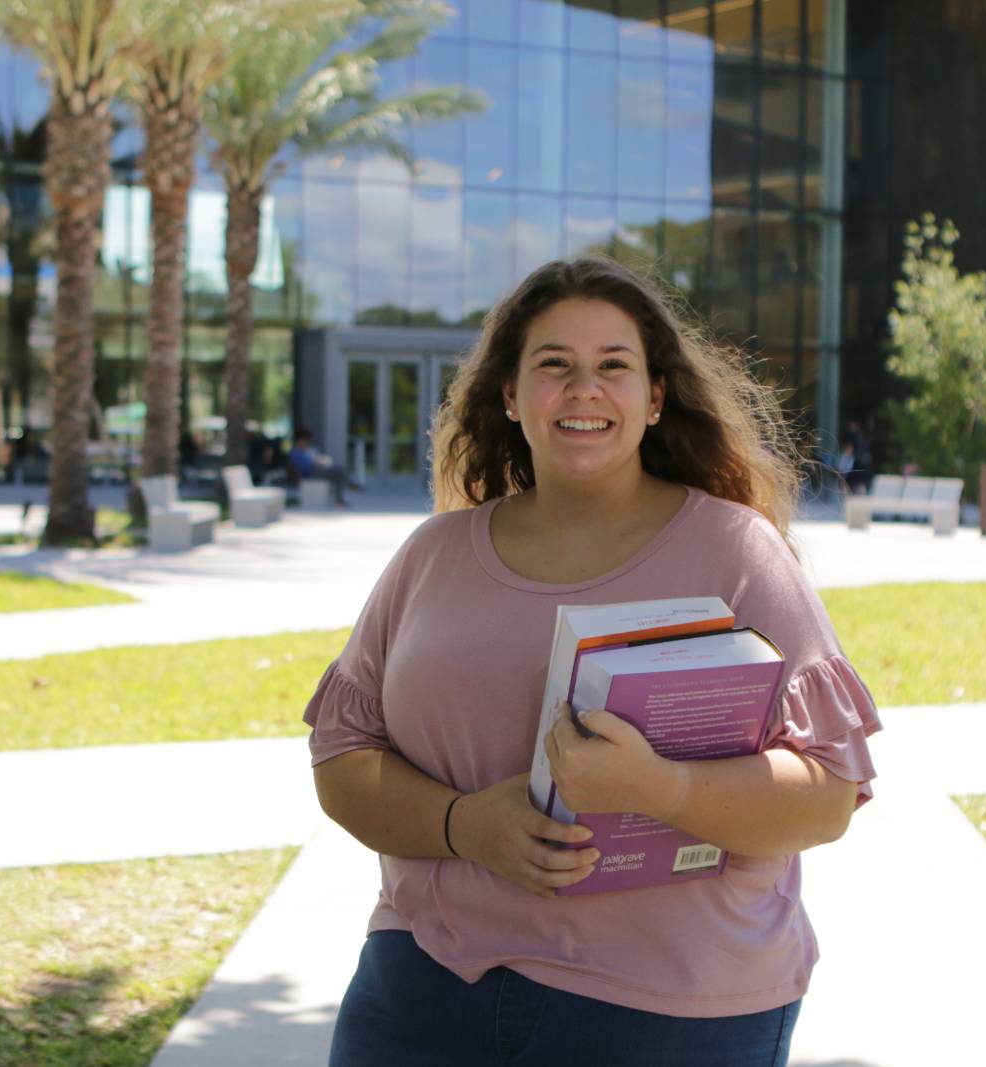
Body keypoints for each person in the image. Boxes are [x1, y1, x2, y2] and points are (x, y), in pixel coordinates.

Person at [304, 257, 881, 1066]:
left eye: (614, 365)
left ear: (654, 398)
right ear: (510, 395)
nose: (584, 390)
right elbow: (340, 760)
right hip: (421, 991)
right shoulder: (431, 555)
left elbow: (827, 796)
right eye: (553, 366)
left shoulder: (737, 554)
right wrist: (463, 826)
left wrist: (662, 787)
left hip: (670, 1014)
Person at [286, 428, 353, 507]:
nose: (307, 443)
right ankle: (347, 488)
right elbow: (306, 467)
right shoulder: (296, 453)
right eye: (306, 441)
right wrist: (316, 462)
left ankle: (344, 491)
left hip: (314, 472)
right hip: (311, 475)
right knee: (339, 470)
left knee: (338, 471)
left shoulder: (303, 451)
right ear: (300, 440)